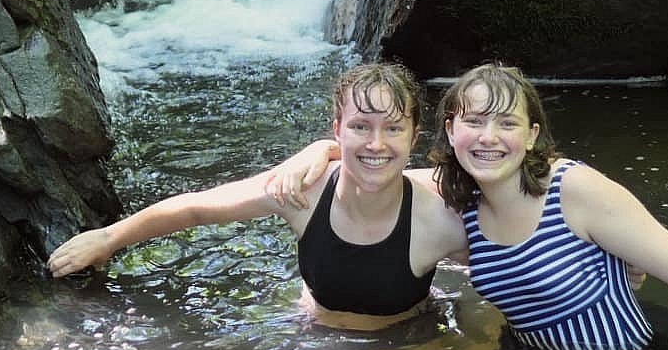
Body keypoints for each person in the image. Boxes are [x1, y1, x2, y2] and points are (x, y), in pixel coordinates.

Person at [267, 62, 668, 350]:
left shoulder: (576, 191)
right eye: (475, 122)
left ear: (532, 134)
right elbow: (375, 165)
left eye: (506, 123)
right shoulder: (456, 198)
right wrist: (322, 151)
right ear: (449, 132)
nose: (489, 137)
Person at [45, 62, 469, 330]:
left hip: (409, 347)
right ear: (337, 129)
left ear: (415, 136)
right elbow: (196, 207)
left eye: (393, 129)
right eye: (361, 127)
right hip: (312, 335)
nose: (377, 143)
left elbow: (513, 249)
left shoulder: (441, 213)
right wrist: (107, 239)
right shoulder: (302, 190)